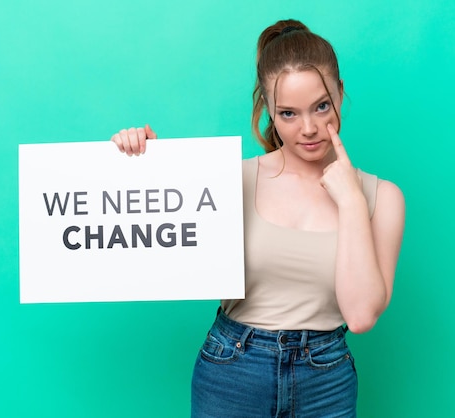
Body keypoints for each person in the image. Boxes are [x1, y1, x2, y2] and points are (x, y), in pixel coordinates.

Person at [111, 18, 405, 418]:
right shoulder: (230, 180)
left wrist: (351, 202)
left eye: (322, 106)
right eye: (288, 113)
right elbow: (158, 241)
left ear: (340, 91)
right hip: (232, 371)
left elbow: (361, 315)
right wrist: (141, 164)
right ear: (267, 109)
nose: (309, 128)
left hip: (326, 380)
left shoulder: (381, 198)